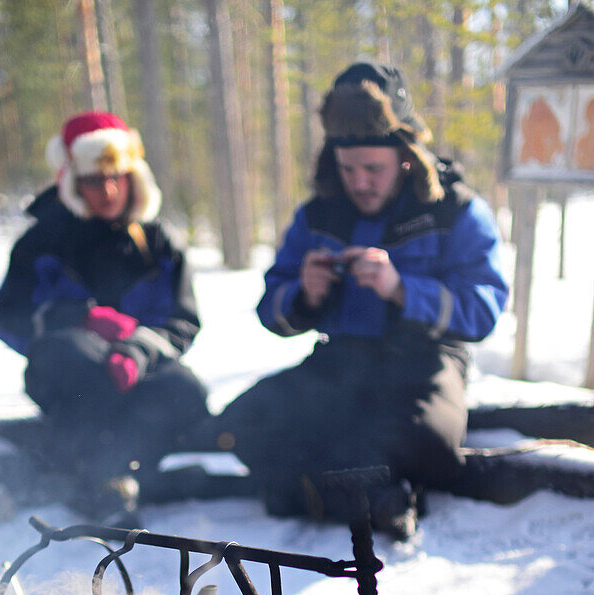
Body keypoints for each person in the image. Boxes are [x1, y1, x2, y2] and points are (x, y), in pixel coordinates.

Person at [211, 62, 509, 538]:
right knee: (240, 424)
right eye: (348, 169)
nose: (360, 182)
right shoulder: (318, 213)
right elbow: (271, 306)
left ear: (407, 157)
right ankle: (375, 499)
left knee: (431, 443)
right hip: (340, 361)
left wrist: (401, 289)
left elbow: (484, 309)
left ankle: (306, 490)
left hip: (424, 364)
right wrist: (303, 295)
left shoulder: (456, 210)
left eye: (374, 168)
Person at [0, 110, 207, 514]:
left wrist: (138, 349)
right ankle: (91, 475)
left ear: (133, 178)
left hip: (139, 371)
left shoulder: (158, 242)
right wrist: (79, 319)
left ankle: (134, 470)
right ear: (72, 181)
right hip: (72, 376)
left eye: (116, 178)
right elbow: (6, 316)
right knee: (68, 355)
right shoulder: (41, 242)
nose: (108, 191)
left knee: (187, 391)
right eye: (93, 181)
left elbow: (181, 320)